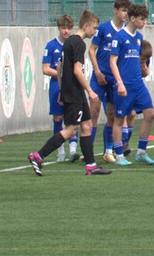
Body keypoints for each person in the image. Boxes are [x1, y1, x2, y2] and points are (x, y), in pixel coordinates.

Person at [29, 10, 112, 176]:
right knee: (71, 130)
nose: (95, 31)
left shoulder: (69, 42)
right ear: (85, 26)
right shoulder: (79, 44)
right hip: (75, 93)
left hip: (74, 92)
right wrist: (90, 90)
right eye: (94, 28)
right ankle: (38, 156)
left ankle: (91, 165)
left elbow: (59, 67)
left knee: (87, 125)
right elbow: (77, 70)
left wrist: (61, 89)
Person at [112, 4, 154, 165]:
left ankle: (141, 152)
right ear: (132, 18)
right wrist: (120, 83)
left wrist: (143, 71)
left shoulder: (138, 38)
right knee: (119, 118)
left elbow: (136, 61)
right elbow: (113, 62)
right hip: (124, 84)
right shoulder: (119, 37)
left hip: (138, 84)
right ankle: (119, 155)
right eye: (142, 19)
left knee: (150, 113)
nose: (145, 22)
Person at [89, 0, 131, 163]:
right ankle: (89, 149)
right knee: (93, 112)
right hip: (99, 77)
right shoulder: (103, 28)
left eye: (127, 11)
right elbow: (92, 50)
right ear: (115, 10)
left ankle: (108, 151)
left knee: (112, 115)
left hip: (115, 80)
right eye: (123, 11)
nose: (125, 14)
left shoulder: (126, 32)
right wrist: (97, 71)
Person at [42, 15, 77, 162]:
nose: (66, 31)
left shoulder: (75, 44)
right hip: (56, 85)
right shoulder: (51, 46)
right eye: (63, 28)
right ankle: (60, 151)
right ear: (59, 28)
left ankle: (73, 151)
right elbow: (45, 68)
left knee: (72, 117)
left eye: (69, 28)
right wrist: (61, 74)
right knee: (57, 117)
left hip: (71, 86)